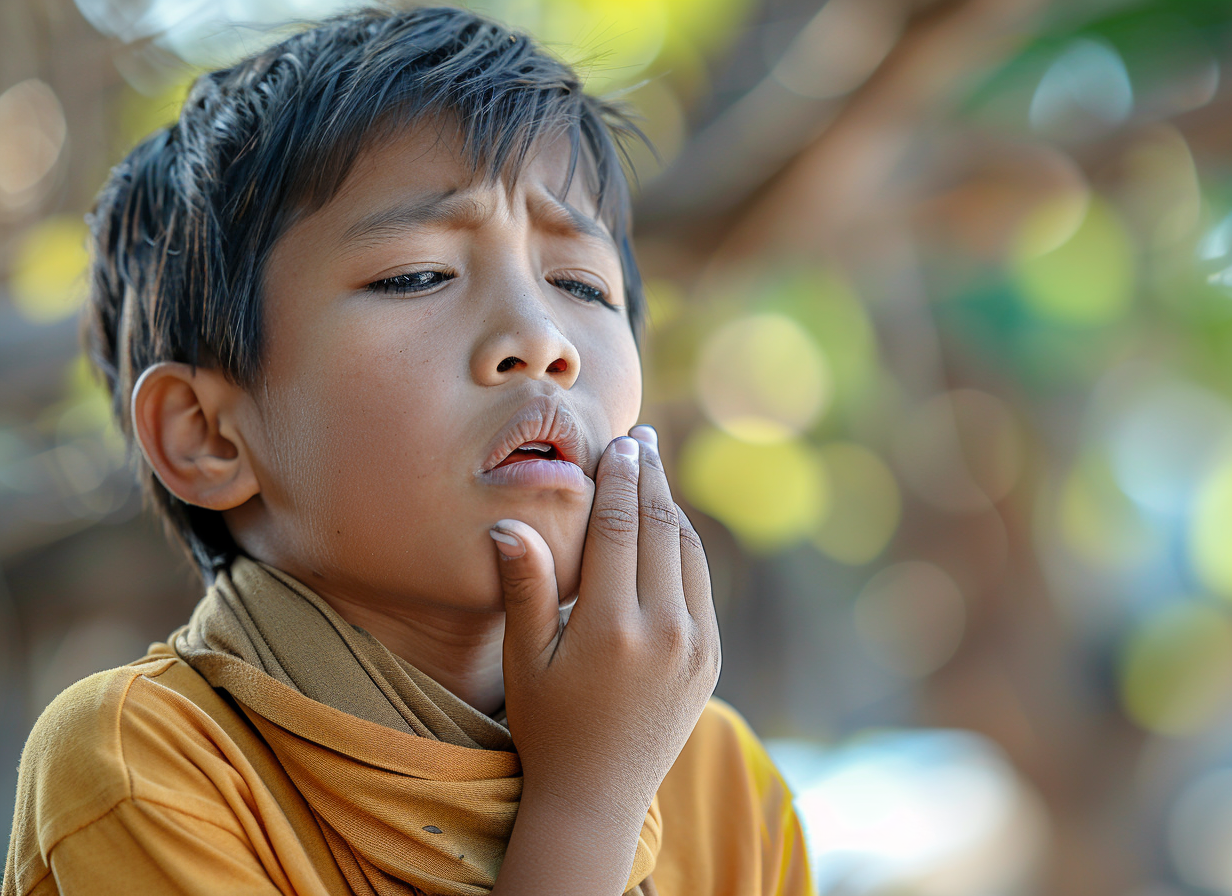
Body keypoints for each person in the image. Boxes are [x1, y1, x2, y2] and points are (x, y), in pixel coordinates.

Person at [2, 7, 815, 895]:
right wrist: (588, 803)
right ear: (208, 435)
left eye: (580, 283)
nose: (542, 340)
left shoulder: (722, 782)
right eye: (417, 275)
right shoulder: (144, 762)